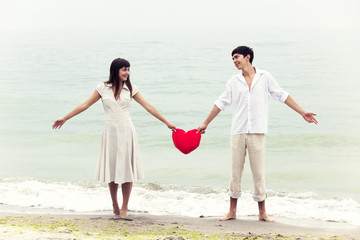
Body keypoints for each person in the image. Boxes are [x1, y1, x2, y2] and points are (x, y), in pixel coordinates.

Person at [197, 46, 317, 222]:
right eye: (232, 59)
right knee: (235, 173)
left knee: (258, 173)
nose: (234, 61)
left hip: (258, 132)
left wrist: (302, 112)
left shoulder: (265, 77)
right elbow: (221, 103)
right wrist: (206, 122)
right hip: (237, 131)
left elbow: (282, 96)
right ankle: (231, 211)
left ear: (248, 57)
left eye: (236, 57)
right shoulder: (233, 81)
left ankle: (262, 213)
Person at [52, 58, 176, 218]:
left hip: (126, 131)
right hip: (110, 131)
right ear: (115, 70)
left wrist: (166, 122)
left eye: (129, 69)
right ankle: (115, 204)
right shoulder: (103, 88)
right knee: (111, 169)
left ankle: (124, 207)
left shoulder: (131, 88)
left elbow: (148, 106)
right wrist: (65, 118)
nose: (127, 73)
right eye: (124, 69)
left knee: (126, 171)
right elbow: (85, 104)